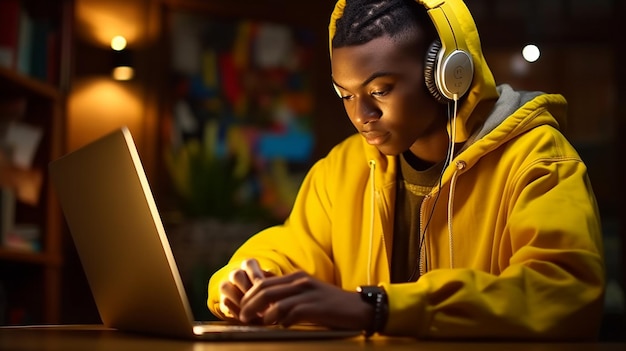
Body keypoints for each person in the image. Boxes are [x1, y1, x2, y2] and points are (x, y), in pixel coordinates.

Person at [207, 0, 605, 340]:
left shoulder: (538, 159)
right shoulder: (342, 167)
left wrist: (378, 307)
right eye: (345, 94)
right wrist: (248, 280)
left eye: (379, 91)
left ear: (447, 75)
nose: (362, 115)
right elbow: (299, 245)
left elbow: (565, 292)